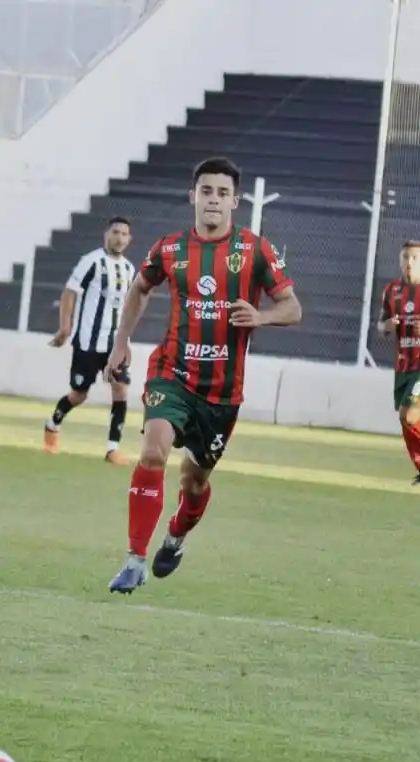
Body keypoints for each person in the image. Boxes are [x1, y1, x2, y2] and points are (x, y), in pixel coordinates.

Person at [105, 157, 302, 594]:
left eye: (223, 193)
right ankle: (134, 559)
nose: (214, 200)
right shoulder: (169, 249)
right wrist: (121, 343)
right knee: (153, 452)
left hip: (221, 393)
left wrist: (262, 316)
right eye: (207, 191)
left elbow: (293, 307)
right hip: (172, 372)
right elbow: (140, 288)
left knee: (195, 482)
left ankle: (176, 534)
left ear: (236, 201)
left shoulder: (254, 250)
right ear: (193, 195)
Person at [44, 217, 137, 463]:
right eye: (115, 232)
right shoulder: (91, 262)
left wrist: (125, 339)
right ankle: (52, 424)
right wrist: (65, 328)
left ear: (129, 239)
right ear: (106, 234)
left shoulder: (129, 269)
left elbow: (128, 307)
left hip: (113, 344)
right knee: (79, 394)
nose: (119, 237)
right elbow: (69, 292)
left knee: (121, 389)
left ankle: (112, 449)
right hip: (87, 342)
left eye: (124, 234)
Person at [376, 240, 420, 485]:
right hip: (403, 365)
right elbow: (380, 326)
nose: (409, 263)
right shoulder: (391, 290)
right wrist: (387, 326)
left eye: (415, 258)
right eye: (405, 257)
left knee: (410, 414)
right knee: (406, 420)